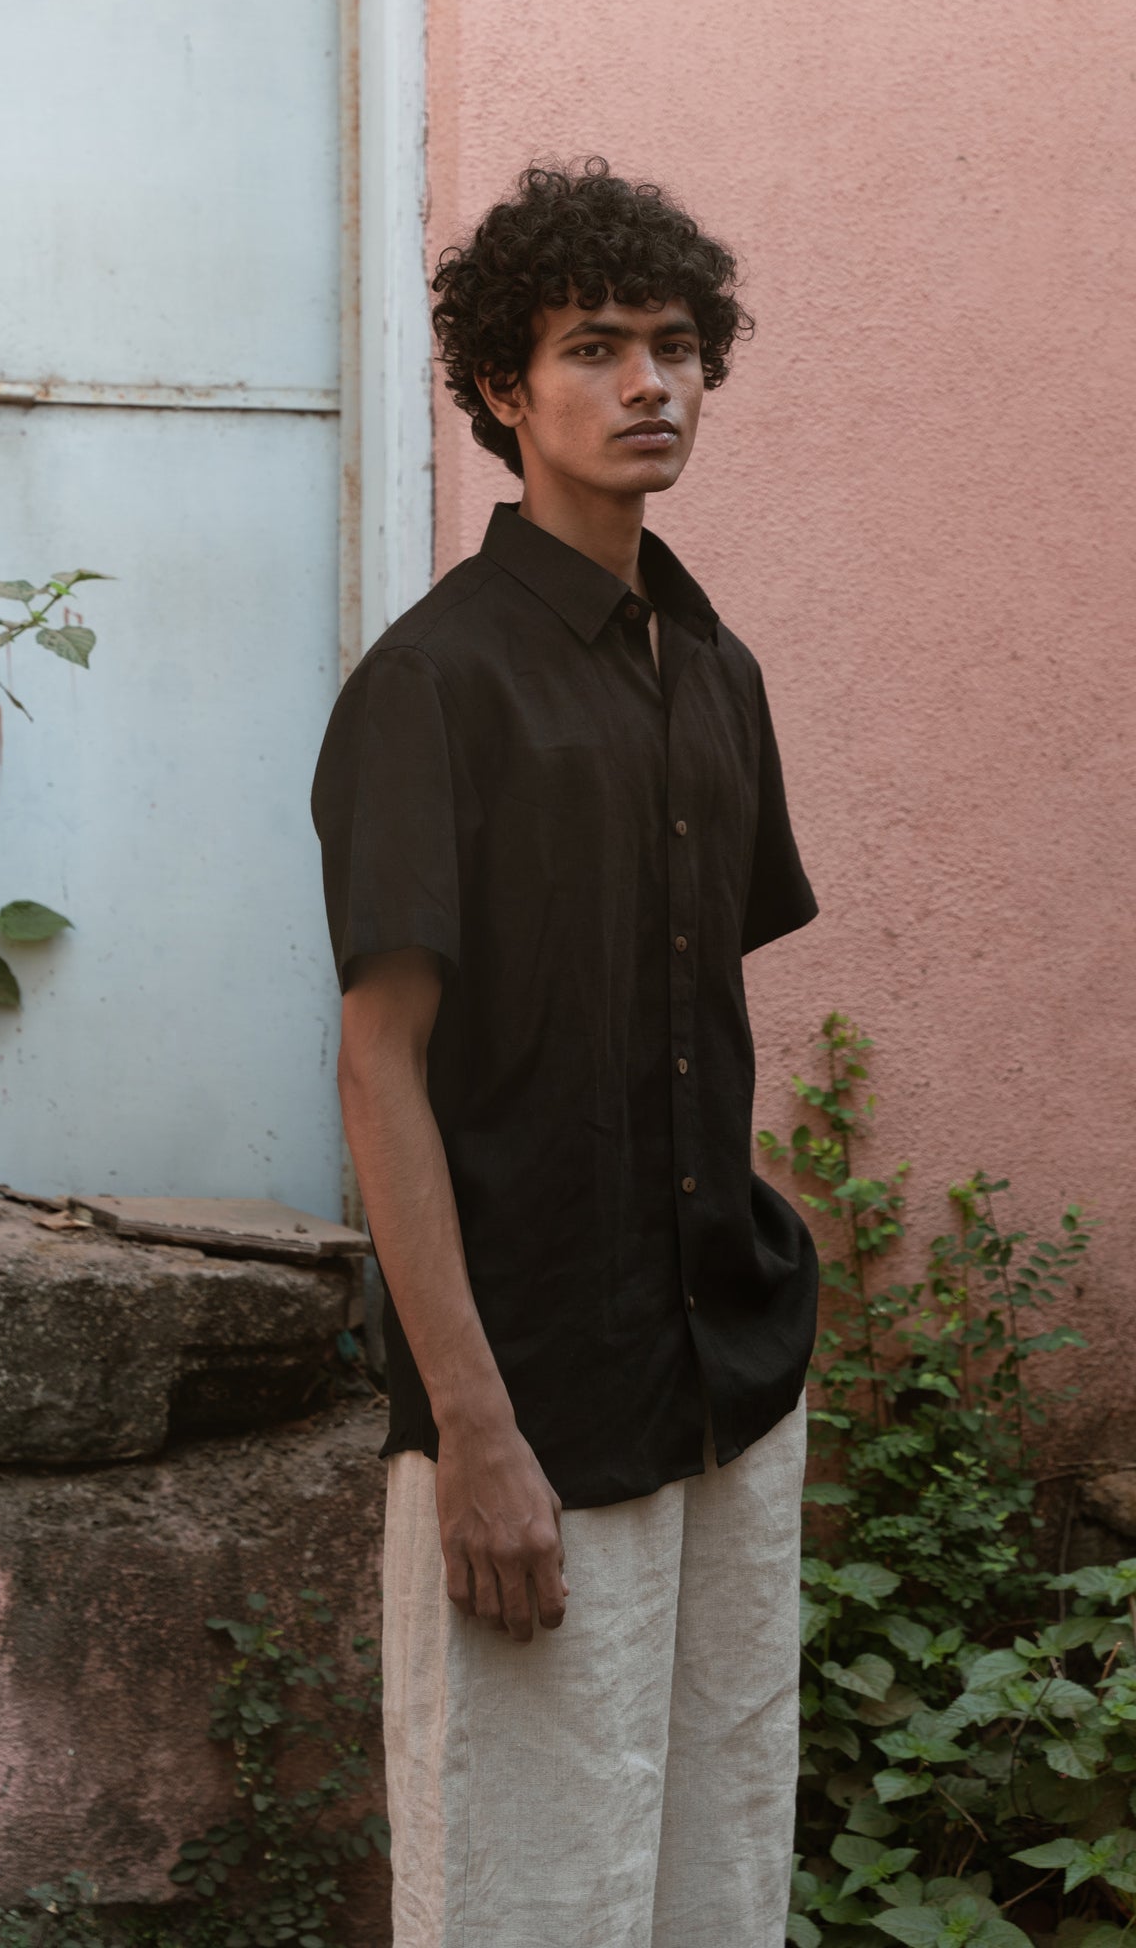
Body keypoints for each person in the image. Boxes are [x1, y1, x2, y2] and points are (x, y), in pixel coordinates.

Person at [310, 158, 820, 1948]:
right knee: (529, 1902)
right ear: (502, 394)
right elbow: (381, 1070)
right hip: (531, 1402)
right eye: (594, 348)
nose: (648, 385)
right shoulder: (431, 687)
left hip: (723, 1383)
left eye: (676, 347)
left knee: (714, 1878)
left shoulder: (716, 670)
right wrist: (473, 1435)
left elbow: (684, 1042)